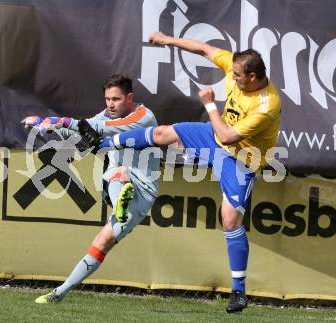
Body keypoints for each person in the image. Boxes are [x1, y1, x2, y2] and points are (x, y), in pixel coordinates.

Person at [79, 32, 281, 313]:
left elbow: (228, 135)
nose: (232, 78)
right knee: (163, 133)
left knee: (230, 220)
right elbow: (203, 48)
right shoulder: (237, 66)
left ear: (254, 76)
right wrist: (166, 39)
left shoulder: (266, 105)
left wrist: (210, 103)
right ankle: (102, 142)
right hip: (216, 138)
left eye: (237, 76)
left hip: (242, 158)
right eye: (232, 72)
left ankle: (239, 292)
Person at [22, 74, 160, 303]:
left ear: (129, 97)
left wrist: (57, 120)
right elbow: (83, 131)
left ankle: (120, 205)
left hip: (144, 191)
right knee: (116, 180)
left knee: (117, 179)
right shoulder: (107, 114)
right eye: (107, 99)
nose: (110, 104)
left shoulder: (143, 117)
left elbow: (96, 127)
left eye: (116, 99)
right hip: (119, 183)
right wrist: (47, 127)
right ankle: (59, 293)